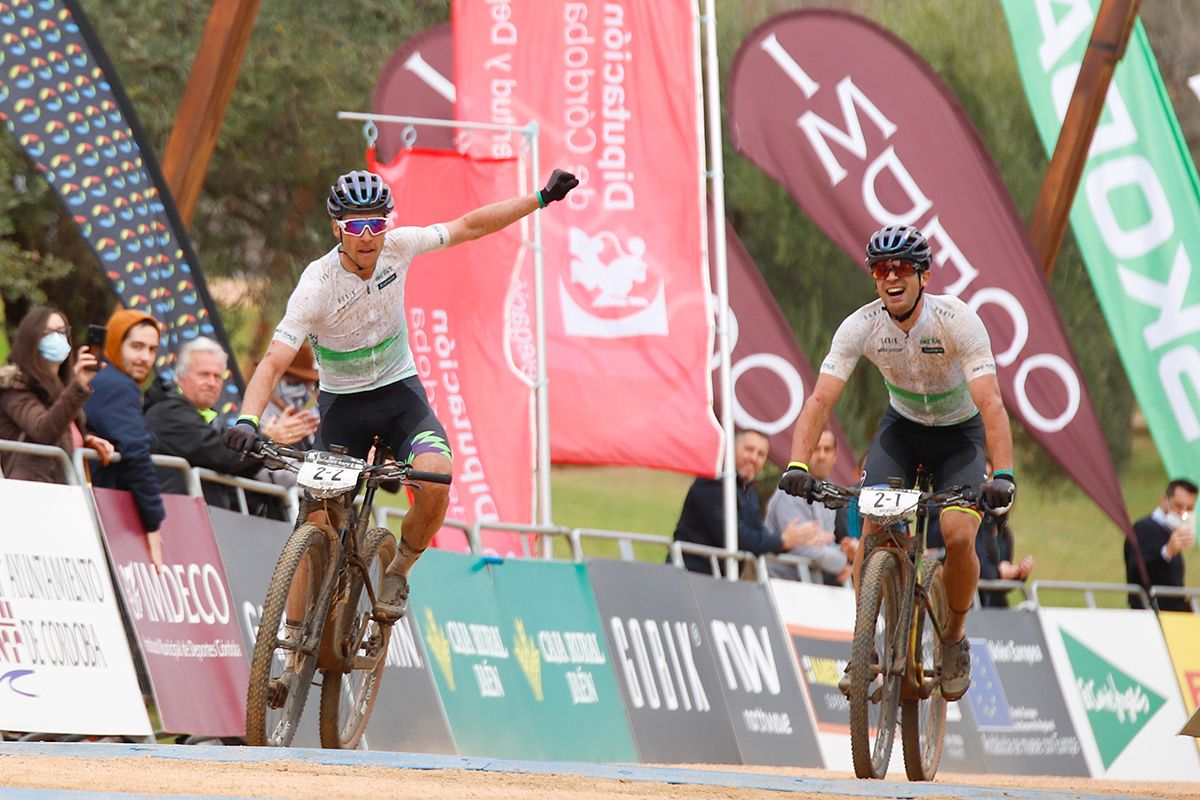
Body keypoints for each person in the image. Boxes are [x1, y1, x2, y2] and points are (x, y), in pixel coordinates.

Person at [224, 167, 580, 622]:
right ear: (337, 228)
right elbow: (273, 361)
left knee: (436, 477)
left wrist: (540, 198)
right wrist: (246, 421)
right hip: (343, 408)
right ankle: (290, 646)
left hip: (399, 397)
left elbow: (469, 225)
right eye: (355, 225)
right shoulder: (316, 285)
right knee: (314, 525)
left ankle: (399, 568)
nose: (368, 236)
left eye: (377, 222)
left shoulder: (400, 246)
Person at [779, 224, 1016, 701]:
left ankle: (952, 640)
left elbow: (991, 404)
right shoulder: (861, 325)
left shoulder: (958, 321)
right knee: (876, 525)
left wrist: (1004, 475)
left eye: (903, 267)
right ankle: (865, 644)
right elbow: (821, 398)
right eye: (882, 269)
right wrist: (797, 465)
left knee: (958, 534)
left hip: (959, 436)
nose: (892, 276)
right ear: (873, 278)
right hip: (902, 430)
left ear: (923, 276)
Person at [672, 429, 833, 575]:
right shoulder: (713, 483)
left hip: (716, 583)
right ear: (732, 450)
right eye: (749, 450)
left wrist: (798, 539)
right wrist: (783, 540)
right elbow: (736, 536)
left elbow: (758, 535)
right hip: (689, 578)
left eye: (761, 454)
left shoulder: (748, 493)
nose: (753, 458)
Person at [144, 337, 269, 511]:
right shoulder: (168, 411)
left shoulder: (209, 417)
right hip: (174, 516)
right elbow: (220, 455)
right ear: (180, 377)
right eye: (204, 374)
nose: (212, 383)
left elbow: (236, 466)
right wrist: (266, 440)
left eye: (217, 376)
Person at [85, 308, 166, 570]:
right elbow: (136, 454)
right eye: (136, 346)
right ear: (115, 343)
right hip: (103, 513)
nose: (145, 357)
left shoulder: (106, 379)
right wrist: (153, 522)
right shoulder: (116, 385)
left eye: (152, 349)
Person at [0, 305, 114, 482]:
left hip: (63, 492)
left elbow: (60, 429)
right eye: (48, 332)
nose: (57, 338)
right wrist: (78, 385)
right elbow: (43, 431)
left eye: (62, 331)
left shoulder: (63, 389)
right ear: (30, 340)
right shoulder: (14, 386)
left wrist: (87, 440)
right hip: (30, 493)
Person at [764, 429, 857, 583]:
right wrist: (842, 561)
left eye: (827, 449)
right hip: (782, 586)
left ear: (835, 455)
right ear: (806, 453)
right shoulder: (791, 491)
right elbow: (802, 548)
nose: (821, 456)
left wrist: (841, 550)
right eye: (816, 449)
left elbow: (821, 546)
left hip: (810, 587)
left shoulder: (829, 491)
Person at [1126, 478, 1197, 612]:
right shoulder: (1144, 528)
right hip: (1150, 614)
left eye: (1189, 508)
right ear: (1165, 500)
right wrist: (1166, 552)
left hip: (1173, 614)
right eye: (1178, 506)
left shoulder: (1170, 532)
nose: (1183, 513)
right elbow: (1136, 570)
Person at [259, 341, 320, 450]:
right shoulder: (261, 417)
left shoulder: (310, 412)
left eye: (306, 383)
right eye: (292, 383)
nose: (299, 391)